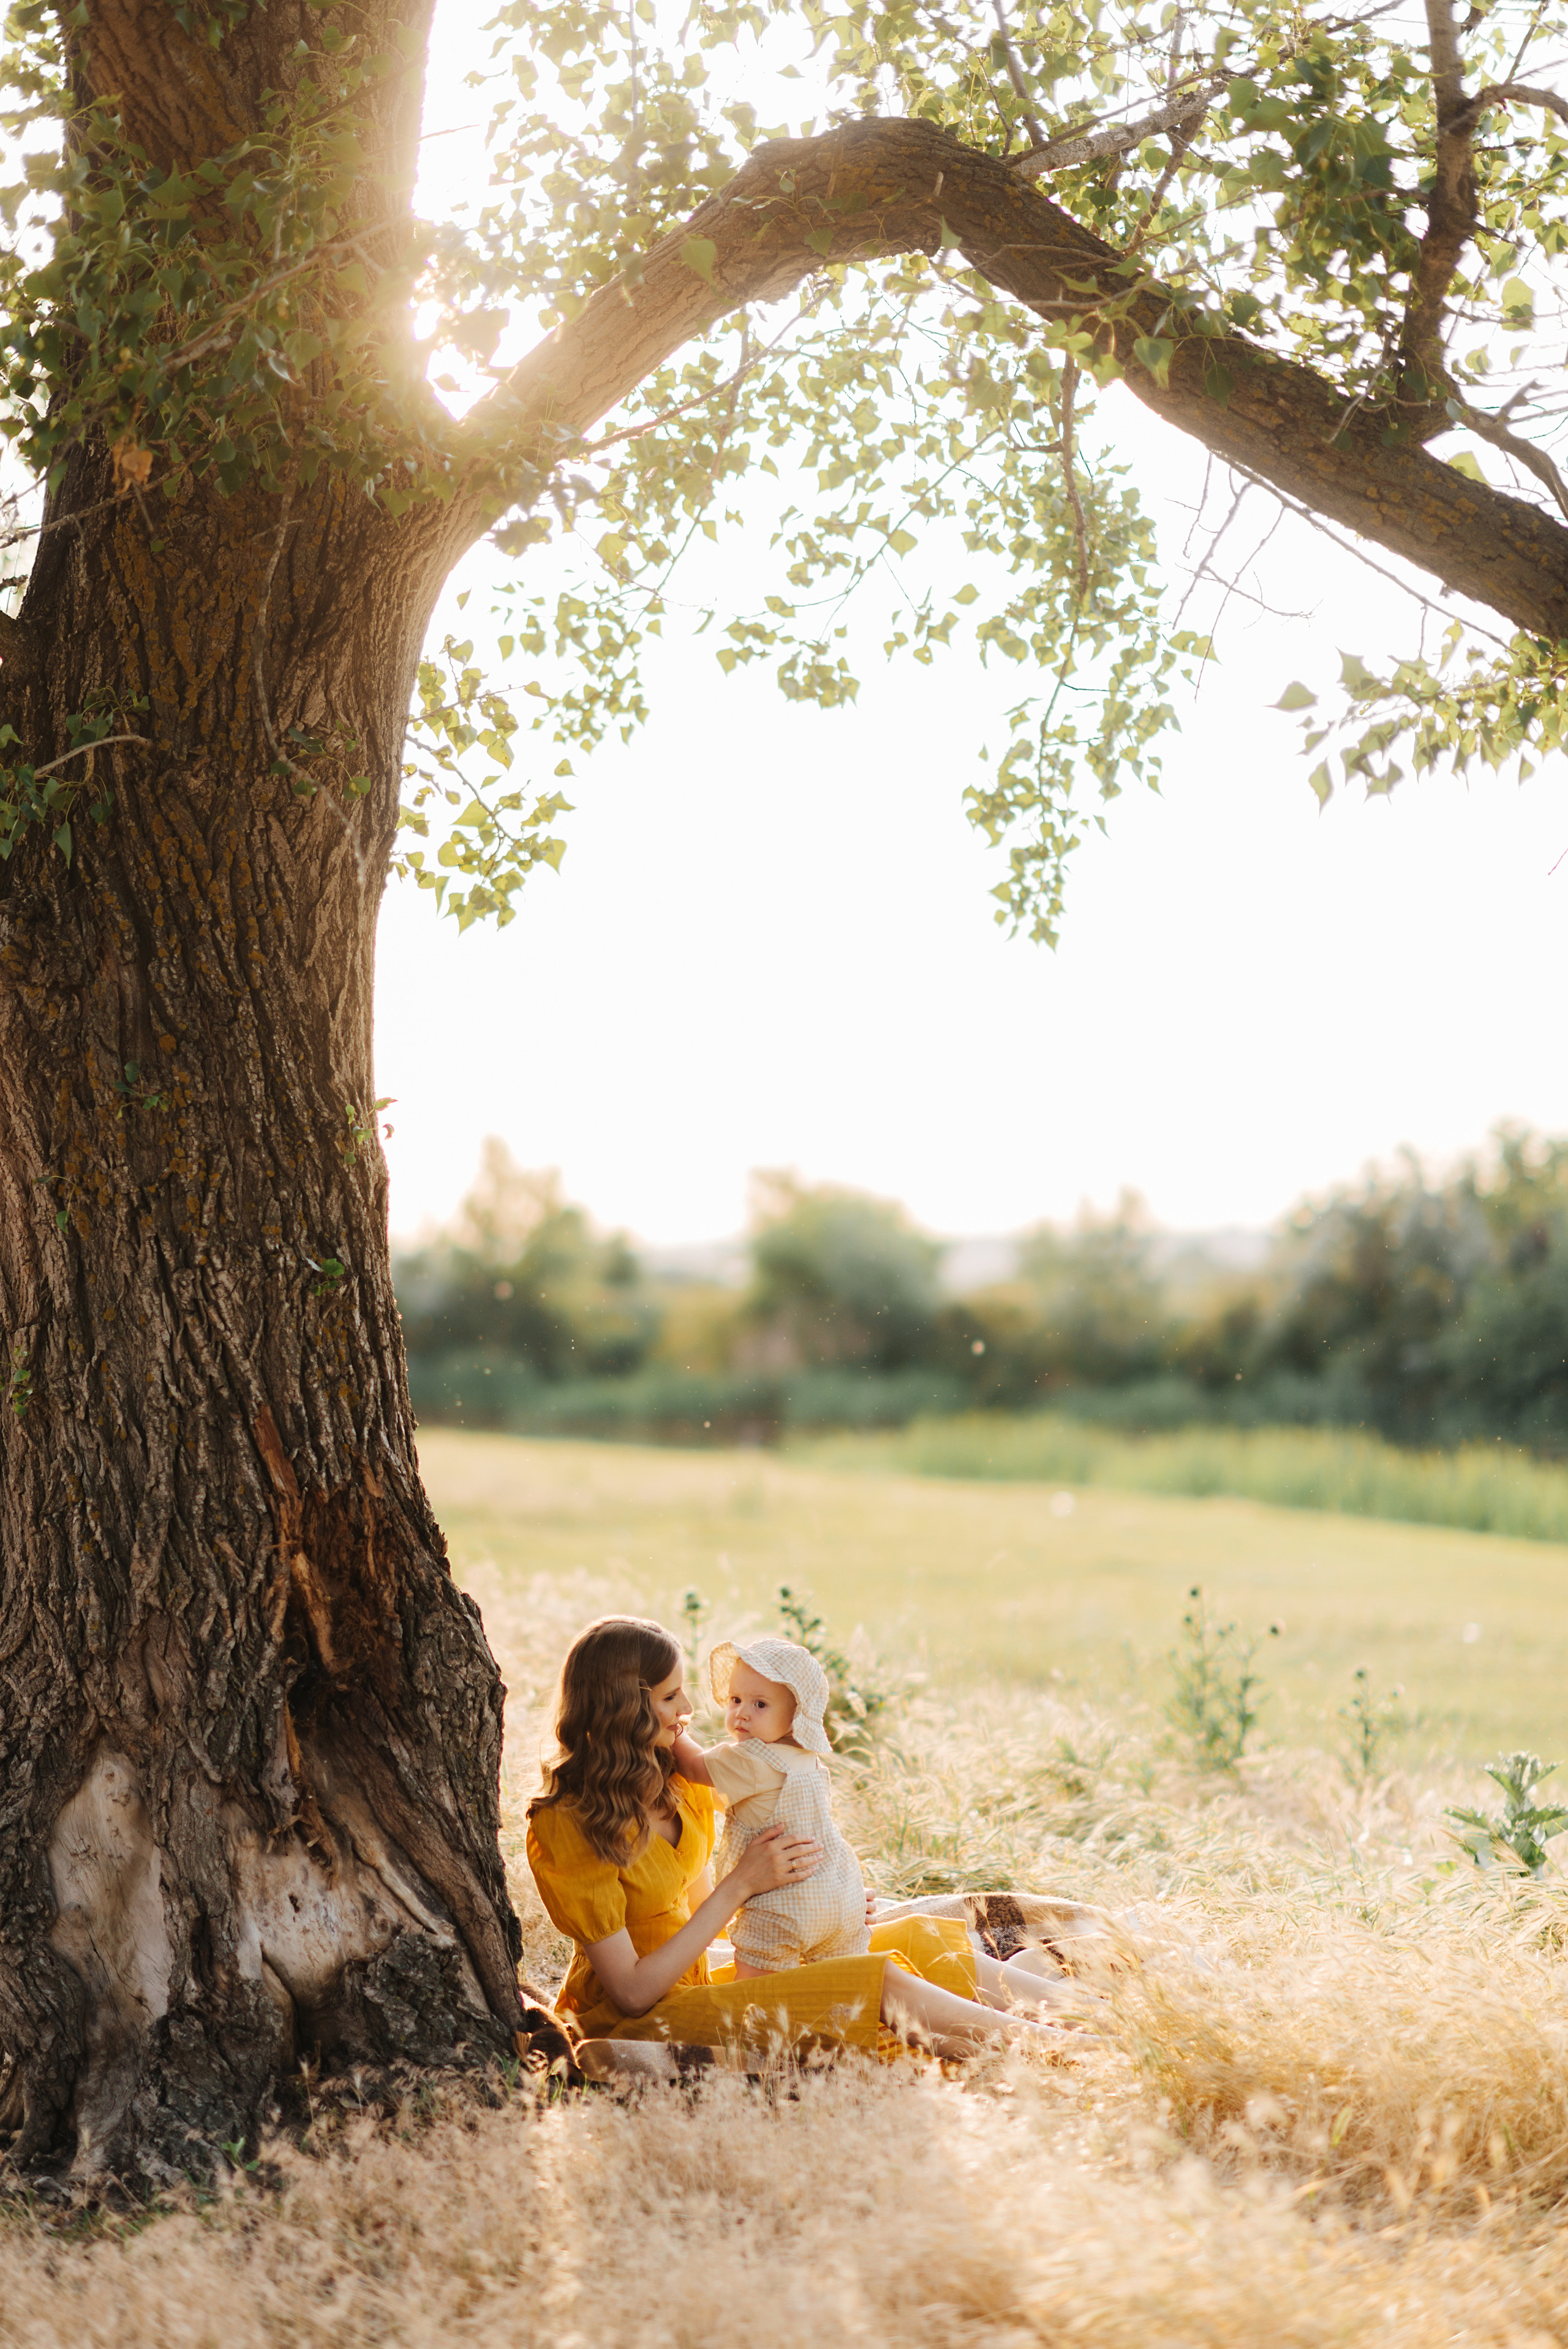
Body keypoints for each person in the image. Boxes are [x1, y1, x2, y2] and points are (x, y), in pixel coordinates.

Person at [524, 1613, 1076, 2065]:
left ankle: (1087, 2008)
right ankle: (1066, 2050)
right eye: (671, 1697)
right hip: (637, 2019)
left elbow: (703, 1917)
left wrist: (818, 1906)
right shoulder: (567, 1823)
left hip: (695, 1984)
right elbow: (632, 1991)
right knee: (872, 1979)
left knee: (904, 1935)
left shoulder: (674, 1781)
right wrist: (743, 1883)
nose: (689, 1710)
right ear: (624, 1706)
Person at [668, 1636, 869, 1977]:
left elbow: (692, 1766)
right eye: (735, 1700)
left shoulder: (752, 1758)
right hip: (842, 1894)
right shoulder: (807, 1759)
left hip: (783, 1906)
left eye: (760, 1704)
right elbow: (730, 1801)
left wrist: (673, 1727)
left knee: (757, 1993)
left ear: (795, 1717)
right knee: (842, 1984)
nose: (742, 1713)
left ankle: (756, 2010)